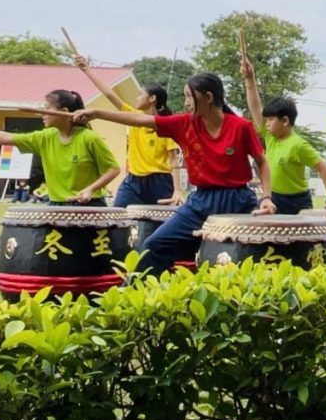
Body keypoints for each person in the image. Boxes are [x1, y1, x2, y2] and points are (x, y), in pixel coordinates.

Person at [73, 73, 276, 277]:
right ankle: (138, 291)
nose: (186, 103)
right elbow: (140, 120)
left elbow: (262, 162)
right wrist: (97, 113)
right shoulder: (184, 124)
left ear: (208, 97)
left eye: (189, 96)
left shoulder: (241, 127)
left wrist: (266, 198)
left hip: (239, 201)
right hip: (199, 202)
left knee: (247, 254)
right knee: (155, 244)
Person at [0, 89, 121, 294]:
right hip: (56, 207)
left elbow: (113, 169)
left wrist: (90, 189)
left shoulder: (89, 139)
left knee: (93, 260)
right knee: (8, 241)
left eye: (47, 109)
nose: (42, 113)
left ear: (64, 112)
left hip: (90, 208)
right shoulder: (45, 137)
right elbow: (6, 137)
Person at [241, 52, 326, 214]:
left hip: (298, 202)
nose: (267, 124)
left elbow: (324, 169)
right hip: (273, 198)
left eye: (271, 120)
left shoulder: (298, 145)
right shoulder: (270, 137)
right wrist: (250, 79)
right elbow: (255, 107)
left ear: (285, 121)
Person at [75, 55, 183, 207]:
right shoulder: (133, 117)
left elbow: (173, 160)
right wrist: (87, 70)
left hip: (159, 182)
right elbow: (109, 94)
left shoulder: (165, 125)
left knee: (156, 221)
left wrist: (177, 190)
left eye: (140, 94)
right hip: (133, 181)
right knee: (118, 215)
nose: (136, 98)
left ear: (152, 98)